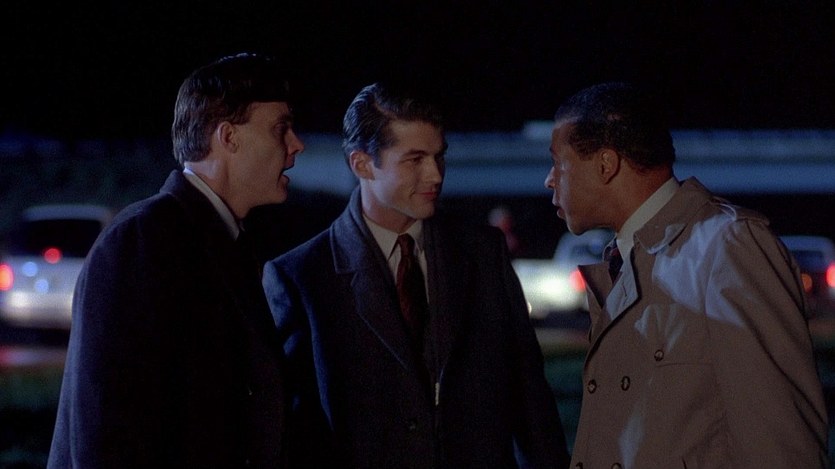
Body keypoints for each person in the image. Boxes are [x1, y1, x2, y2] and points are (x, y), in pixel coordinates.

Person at [262, 82, 570, 468]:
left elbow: (529, 397)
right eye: (415, 159)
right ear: (362, 164)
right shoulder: (302, 277)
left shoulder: (481, 253)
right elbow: (295, 432)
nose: (435, 175)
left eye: (439, 156)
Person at [545, 81, 828, 468]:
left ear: (606, 165)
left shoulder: (728, 246)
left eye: (558, 163)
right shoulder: (627, 257)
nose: (549, 179)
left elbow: (781, 445)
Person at [48, 52, 305, 468]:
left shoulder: (224, 241)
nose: (296, 145)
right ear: (228, 137)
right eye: (280, 128)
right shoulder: (143, 241)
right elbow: (108, 432)